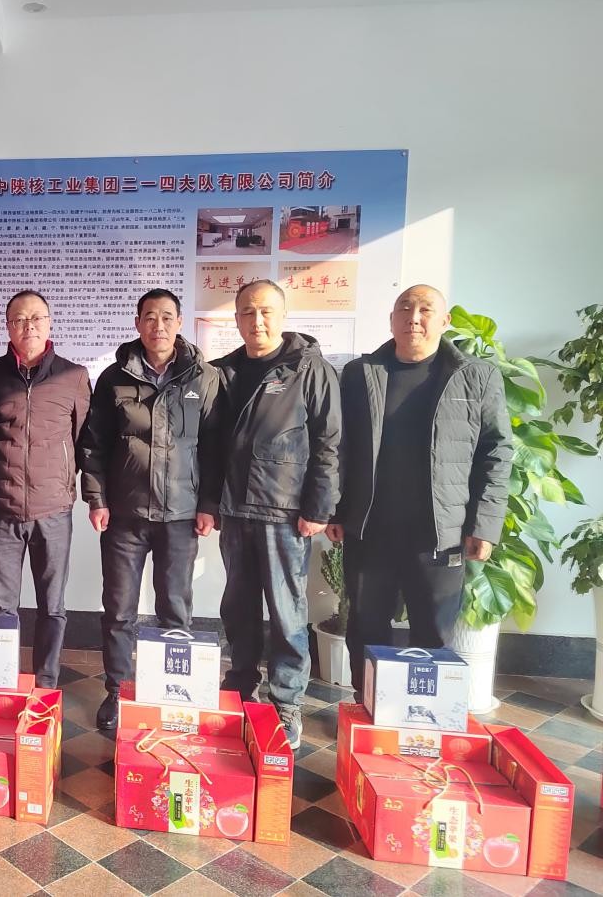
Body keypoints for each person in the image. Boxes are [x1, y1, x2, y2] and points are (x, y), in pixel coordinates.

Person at [328, 284, 512, 693]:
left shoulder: (475, 376)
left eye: (425, 309)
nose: (414, 317)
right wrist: (335, 510)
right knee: (366, 630)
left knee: (434, 633)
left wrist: (484, 524)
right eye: (405, 308)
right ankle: (367, 706)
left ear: (444, 321)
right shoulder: (360, 374)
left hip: (439, 534)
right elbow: (340, 446)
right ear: (391, 319)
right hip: (370, 531)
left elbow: (497, 452)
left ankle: (425, 716)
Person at [80, 288, 221, 730]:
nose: (158, 325)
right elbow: (94, 444)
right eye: (149, 317)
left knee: (175, 609)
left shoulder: (204, 378)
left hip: (181, 515)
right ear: (137, 323)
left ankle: (170, 689)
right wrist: (97, 498)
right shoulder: (114, 377)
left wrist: (209, 504)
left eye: (166, 317)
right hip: (124, 515)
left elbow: (215, 448)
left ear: (179, 322)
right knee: (118, 609)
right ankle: (117, 690)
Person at [211, 280, 341, 748]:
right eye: (247, 312)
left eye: (266, 311)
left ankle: (286, 701)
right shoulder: (224, 371)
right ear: (237, 319)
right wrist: (210, 503)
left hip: (285, 512)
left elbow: (329, 442)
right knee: (238, 606)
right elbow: (211, 445)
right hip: (235, 510)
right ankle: (241, 683)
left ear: (283, 316)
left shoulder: (309, 369)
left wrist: (319, 507)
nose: (257, 321)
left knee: (287, 612)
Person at [0, 290, 90, 688]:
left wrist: (69, 486)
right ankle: (2, 679)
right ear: (8, 327)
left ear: (49, 323)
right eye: (19, 319)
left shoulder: (74, 376)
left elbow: (84, 442)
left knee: (52, 606)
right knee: (2, 606)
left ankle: (46, 682)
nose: (29, 326)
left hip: (53, 512)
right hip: (0, 511)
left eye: (37, 318)